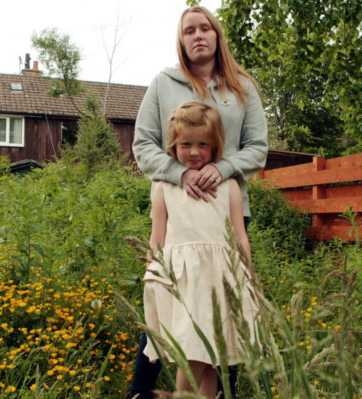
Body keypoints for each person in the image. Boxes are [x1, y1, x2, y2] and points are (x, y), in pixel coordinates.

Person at [130, 5, 268, 398]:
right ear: (181, 40)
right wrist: (181, 173)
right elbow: (143, 145)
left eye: (205, 27)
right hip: (180, 221)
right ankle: (141, 391)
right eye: (189, 30)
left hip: (225, 215)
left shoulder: (242, 86)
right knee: (175, 315)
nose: (198, 35)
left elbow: (257, 149)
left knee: (224, 315)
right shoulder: (163, 83)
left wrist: (221, 169)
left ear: (217, 35)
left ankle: (224, 392)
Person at [142, 102, 258, 397]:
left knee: (211, 359)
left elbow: (239, 236)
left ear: (215, 145)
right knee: (190, 354)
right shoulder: (164, 187)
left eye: (202, 144)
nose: (194, 151)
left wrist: (249, 273)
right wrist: (153, 275)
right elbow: (157, 236)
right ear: (173, 145)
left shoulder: (229, 185)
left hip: (219, 280)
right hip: (182, 281)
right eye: (186, 144)